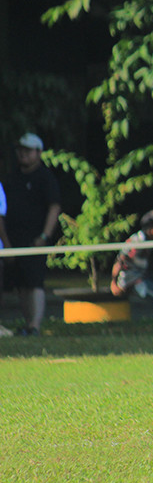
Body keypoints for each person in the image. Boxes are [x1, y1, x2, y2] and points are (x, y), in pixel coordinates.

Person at [2, 133, 61, 336]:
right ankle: (28, 325)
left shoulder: (45, 178)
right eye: (20, 150)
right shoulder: (13, 177)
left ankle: (35, 325)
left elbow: (54, 207)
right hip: (13, 240)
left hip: (35, 240)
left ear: (38, 153)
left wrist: (44, 236)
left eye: (27, 150)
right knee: (21, 284)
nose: (23, 154)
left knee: (34, 282)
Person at [111, 210, 153, 318]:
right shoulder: (137, 242)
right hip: (132, 282)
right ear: (152, 230)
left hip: (142, 276)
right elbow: (120, 261)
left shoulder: (149, 241)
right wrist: (114, 283)